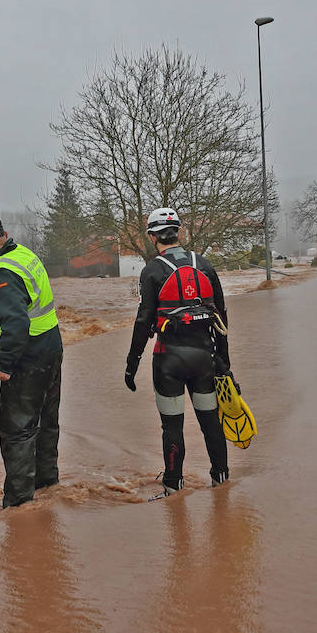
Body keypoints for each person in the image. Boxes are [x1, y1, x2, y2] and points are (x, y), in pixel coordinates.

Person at [124, 207, 232, 495]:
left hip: (168, 359)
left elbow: (144, 320)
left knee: (172, 427)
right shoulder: (205, 264)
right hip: (204, 358)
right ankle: (221, 481)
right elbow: (221, 314)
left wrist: (131, 364)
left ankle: (173, 488)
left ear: (151, 236)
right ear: (179, 232)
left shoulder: (152, 270)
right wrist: (224, 363)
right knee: (211, 421)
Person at [0, 214, 63, 508]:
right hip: (51, 348)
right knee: (47, 422)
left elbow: (16, 324)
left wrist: (5, 366)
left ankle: (19, 504)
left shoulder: (2, 273)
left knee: (17, 431)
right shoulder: (23, 254)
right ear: (5, 234)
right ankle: (47, 484)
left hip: (27, 358)